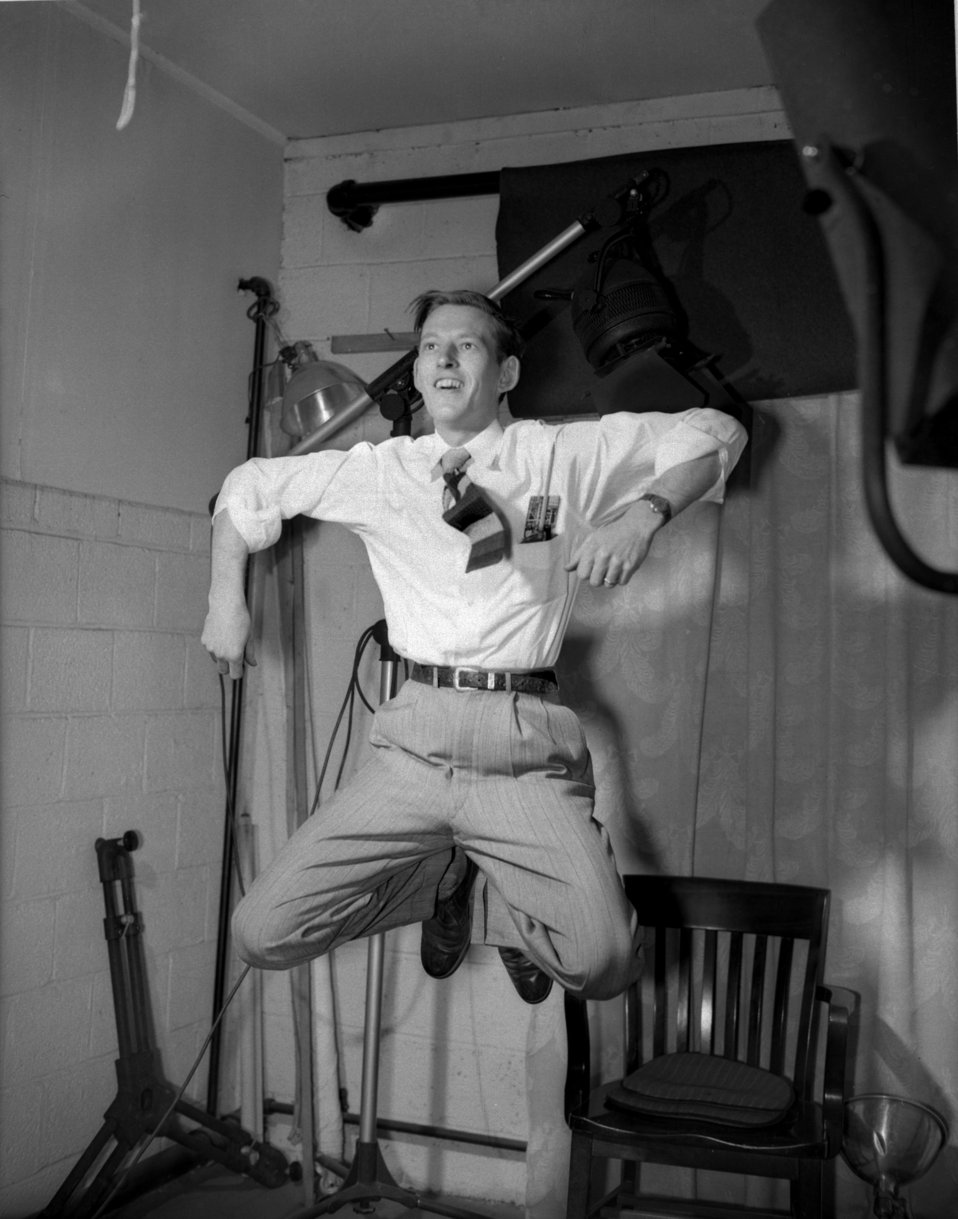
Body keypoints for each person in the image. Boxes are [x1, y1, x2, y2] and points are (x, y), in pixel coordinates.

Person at [202, 288, 747, 1005]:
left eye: (466, 346)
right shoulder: (383, 471)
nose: (445, 360)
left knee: (605, 962)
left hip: (523, 747)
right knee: (260, 932)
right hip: (412, 747)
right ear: (418, 372)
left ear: (507, 373)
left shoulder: (559, 455)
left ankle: (501, 896)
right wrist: (225, 599)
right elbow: (250, 484)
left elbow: (715, 432)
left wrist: (643, 516)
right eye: (431, 347)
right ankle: (442, 881)